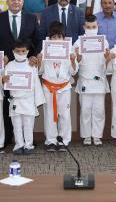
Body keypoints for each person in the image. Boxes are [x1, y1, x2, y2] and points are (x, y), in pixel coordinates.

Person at [0, 0, 41, 146]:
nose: (16, 2)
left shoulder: (31, 18)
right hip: (6, 67)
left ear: (23, 1)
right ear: (7, 0)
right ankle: (8, 137)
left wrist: (34, 55)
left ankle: (27, 139)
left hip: (26, 66)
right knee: (7, 103)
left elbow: (38, 40)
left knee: (26, 104)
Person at [38, 22, 78, 151]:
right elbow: (40, 71)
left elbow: (73, 72)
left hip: (63, 87)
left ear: (63, 37)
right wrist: (40, 60)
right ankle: (51, 140)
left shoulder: (69, 50)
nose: (56, 39)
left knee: (65, 114)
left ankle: (63, 140)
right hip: (49, 87)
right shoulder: (45, 50)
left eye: (59, 37)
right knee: (49, 114)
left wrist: (73, 60)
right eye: (53, 37)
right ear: (49, 38)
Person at [2, 39, 45, 155]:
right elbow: (4, 82)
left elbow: (36, 82)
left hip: (28, 99)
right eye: (18, 51)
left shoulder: (31, 65)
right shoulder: (9, 65)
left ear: (27, 51)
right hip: (15, 100)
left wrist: (37, 100)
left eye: (23, 51)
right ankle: (19, 144)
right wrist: (4, 80)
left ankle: (28, 145)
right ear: (13, 51)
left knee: (28, 124)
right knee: (16, 125)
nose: (20, 53)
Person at [74, 15, 111, 146]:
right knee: (85, 110)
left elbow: (105, 61)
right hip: (85, 79)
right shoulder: (78, 43)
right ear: (84, 27)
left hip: (99, 79)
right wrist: (77, 57)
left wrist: (107, 57)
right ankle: (86, 136)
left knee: (99, 110)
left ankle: (97, 135)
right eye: (88, 27)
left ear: (97, 26)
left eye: (93, 27)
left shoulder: (104, 42)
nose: (91, 29)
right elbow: (75, 62)